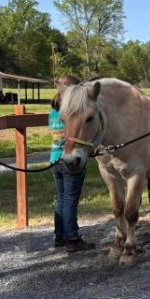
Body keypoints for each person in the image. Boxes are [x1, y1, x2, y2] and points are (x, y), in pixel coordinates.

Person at [50, 75, 93, 252]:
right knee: (70, 199)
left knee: (61, 197)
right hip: (69, 158)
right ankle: (72, 238)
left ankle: (60, 236)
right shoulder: (73, 111)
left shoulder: (54, 111)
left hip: (54, 158)